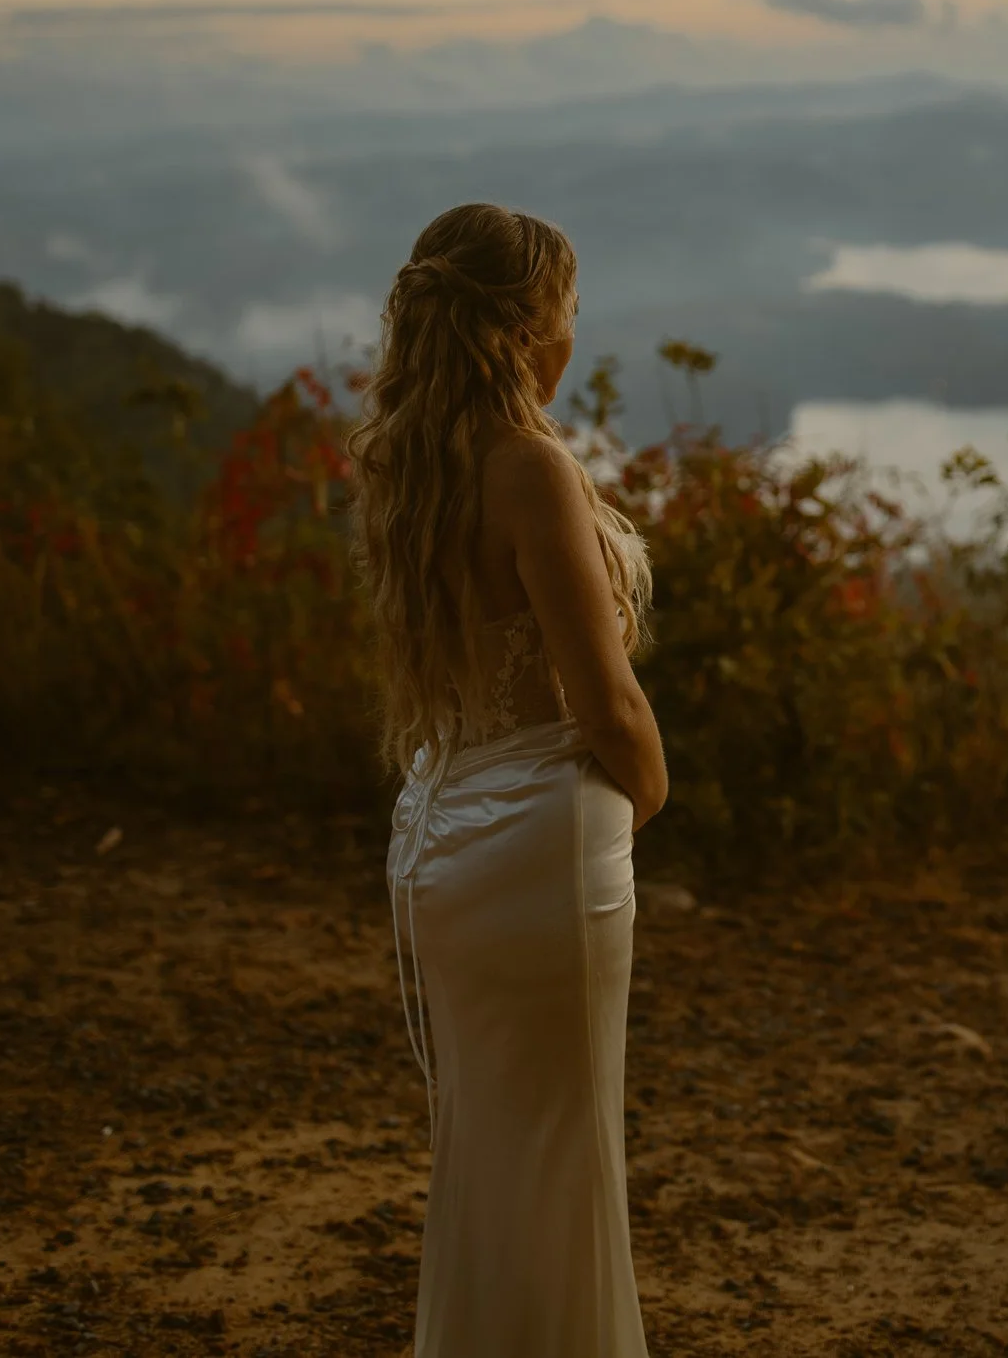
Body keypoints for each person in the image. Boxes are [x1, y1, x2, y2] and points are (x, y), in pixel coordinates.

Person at [348, 203, 667, 1357]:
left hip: (442, 832)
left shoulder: (406, 460)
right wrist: (644, 792)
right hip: (541, 840)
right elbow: (604, 695)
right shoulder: (528, 467)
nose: (573, 333)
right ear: (528, 324)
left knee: (488, 1144)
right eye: (570, 312)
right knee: (566, 1150)